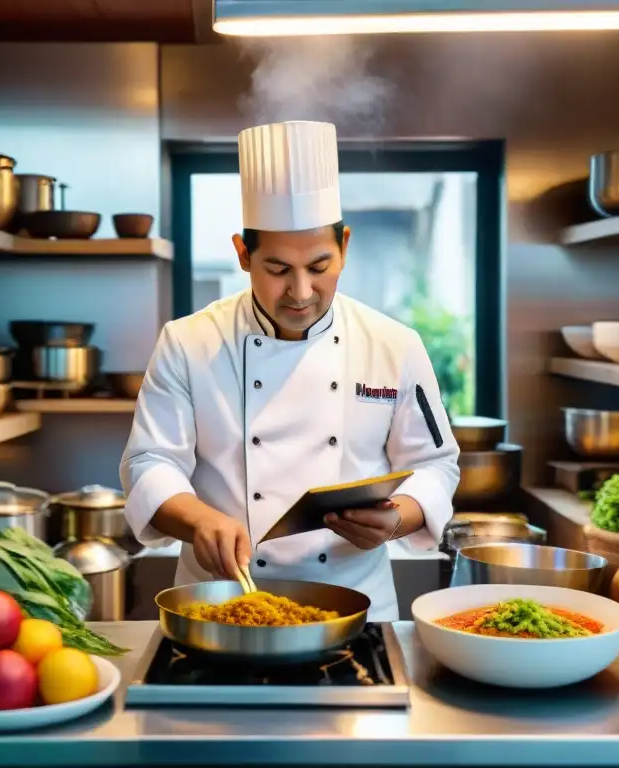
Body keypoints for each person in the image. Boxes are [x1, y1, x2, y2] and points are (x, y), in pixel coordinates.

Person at [120, 120, 460, 620]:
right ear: (242, 254)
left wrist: (397, 520)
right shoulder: (188, 342)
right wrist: (198, 521)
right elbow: (149, 461)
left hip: (356, 609)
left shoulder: (395, 345)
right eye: (278, 270)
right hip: (220, 604)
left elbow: (437, 464)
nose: (300, 292)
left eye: (319, 267)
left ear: (345, 244)